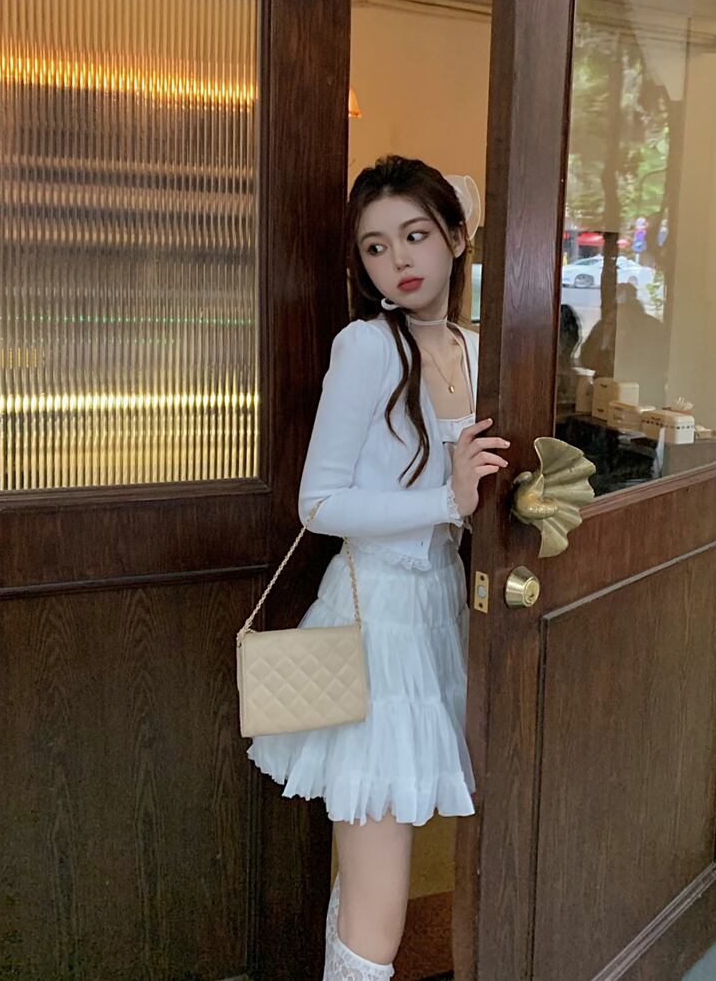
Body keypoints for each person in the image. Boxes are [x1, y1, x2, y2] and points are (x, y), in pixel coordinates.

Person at [247, 155, 509, 979]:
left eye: (416, 234)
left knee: (380, 881)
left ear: (456, 238)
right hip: (375, 625)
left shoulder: (481, 347)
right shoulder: (365, 346)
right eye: (375, 247)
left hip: (445, 614)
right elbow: (318, 503)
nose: (399, 260)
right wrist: (444, 499)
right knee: (381, 901)